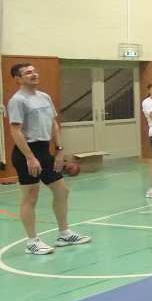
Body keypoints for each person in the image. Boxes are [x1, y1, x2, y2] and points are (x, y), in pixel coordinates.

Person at [6, 63, 90, 255]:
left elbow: (54, 124)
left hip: (45, 151)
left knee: (62, 191)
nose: (34, 74)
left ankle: (64, 234)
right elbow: (15, 131)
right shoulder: (17, 100)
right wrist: (30, 157)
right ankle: (32, 242)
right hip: (27, 153)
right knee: (31, 196)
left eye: (34, 71)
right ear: (18, 79)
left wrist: (59, 150)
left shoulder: (44, 97)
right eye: (28, 73)